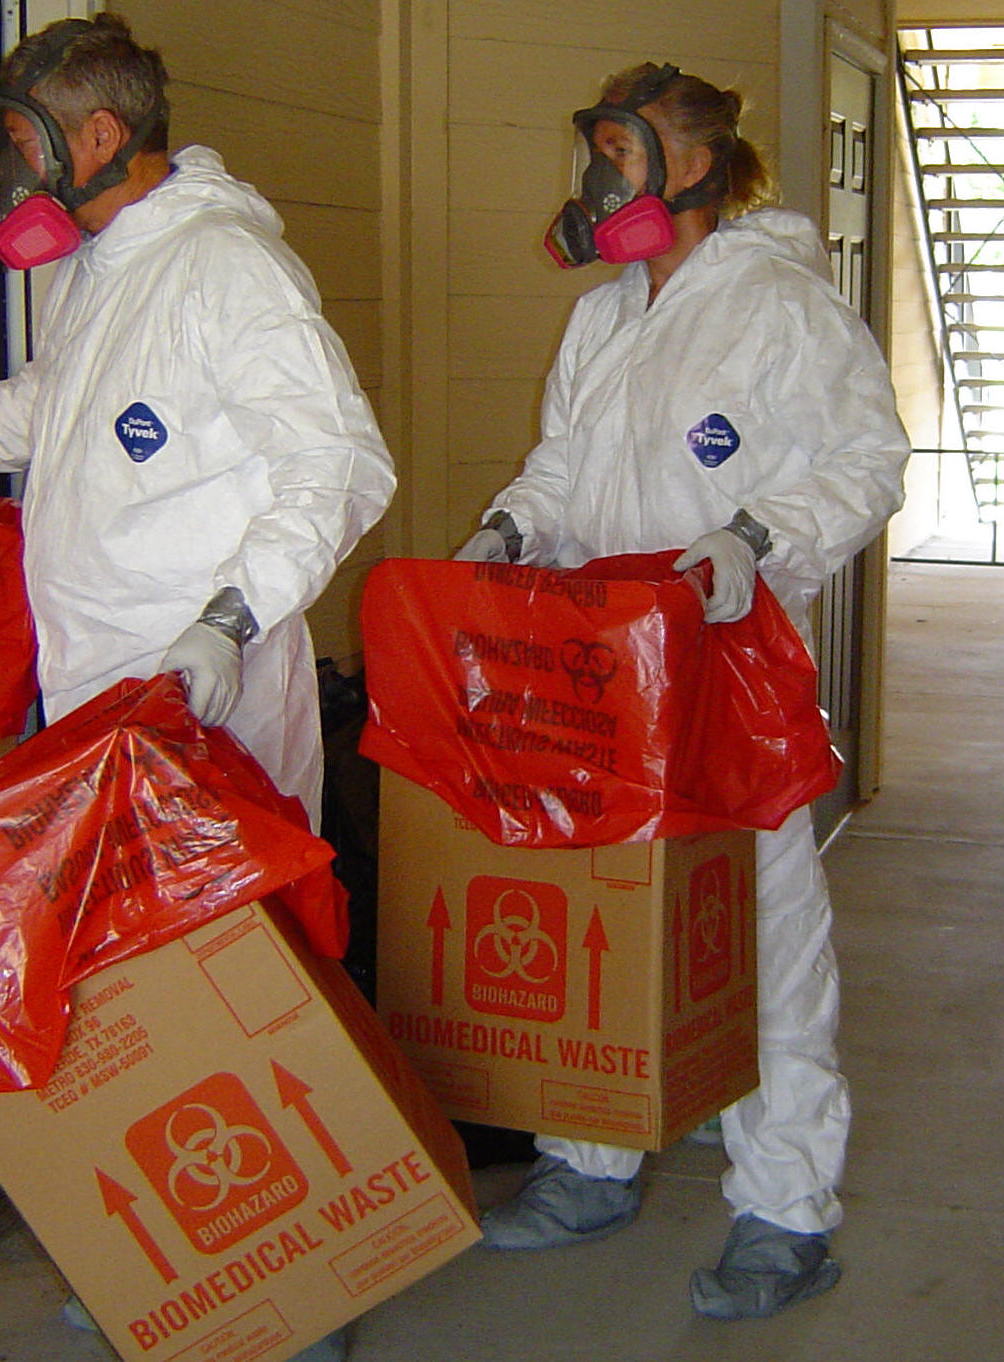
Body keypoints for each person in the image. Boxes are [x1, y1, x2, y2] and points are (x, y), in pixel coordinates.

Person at [456, 61, 910, 1320]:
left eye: (619, 153)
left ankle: (784, 1208)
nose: (595, 182)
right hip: (599, 667)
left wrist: (755, 540)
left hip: (726, 667)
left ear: (691, 169)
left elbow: (868, 460)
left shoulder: (778, 307)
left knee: (759, 931)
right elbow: (558, 459)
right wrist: (509, 527)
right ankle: (590, 1158)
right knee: (603, 911)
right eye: (592, 153)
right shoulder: (604, 314)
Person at [0, 9, 395, 843]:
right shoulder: (101, 263)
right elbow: (44, 406)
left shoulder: (227, 267)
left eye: (24, 145)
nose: (13, 171)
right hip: (99, 669)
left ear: (98, 136)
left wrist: (228, 624)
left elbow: (340, 463)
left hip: (199, 685)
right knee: (128, 950)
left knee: (227, 950)